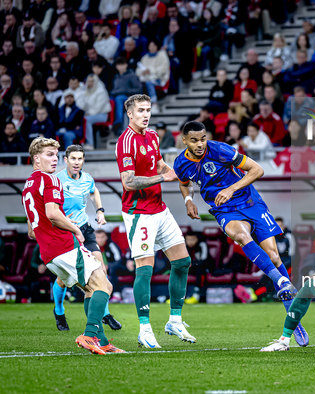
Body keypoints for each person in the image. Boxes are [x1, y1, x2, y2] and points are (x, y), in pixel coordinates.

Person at [173, 120, 309, 347]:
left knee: (274, 257)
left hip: (250, 201)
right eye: (194, 140)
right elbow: (184, 183)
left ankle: (293, 317)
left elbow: (258, 169)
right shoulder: (180, 163)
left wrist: (230, 188)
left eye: (203, 139)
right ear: (184, 140)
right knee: (241, 235)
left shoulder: (220, 150)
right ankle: (281, 282)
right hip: (223, 208)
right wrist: (188, 200)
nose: (200, 144)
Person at [23, 137, 124, 354]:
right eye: (49, 155)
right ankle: (89, 335)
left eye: (56, 155)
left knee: (90, 289)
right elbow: (52, 214)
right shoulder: (50, 180)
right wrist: (76, 230)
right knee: (104, 286)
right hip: (64, 245)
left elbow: (32, 231)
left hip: (49, 253)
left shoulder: (28, 185)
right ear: (36, 158)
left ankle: (103, 342)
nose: (54, 159)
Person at [116, 94, 194, 348]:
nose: (146, 114)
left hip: (159, 209)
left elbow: (157, 163)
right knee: (145, 269)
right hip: (139, 213)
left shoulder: (152, 136)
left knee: (182, 262)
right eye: (140, 110)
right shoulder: (125, 142)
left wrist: (174, 172)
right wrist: (162, 179)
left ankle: (174, 320)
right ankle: (145, 328)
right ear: (130, 113)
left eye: (148, 109)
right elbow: (128, 182)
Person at [54, 144, 121, 331]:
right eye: (73, 158)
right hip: (66, 231)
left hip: (85, 229)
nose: (77, 162)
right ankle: (59, 311)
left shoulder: (87, 179)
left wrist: (99, 211)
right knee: (64, 278)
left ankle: (105, 313)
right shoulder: (56, 180)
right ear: (66, 160)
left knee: (101, 269)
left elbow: (93, 191)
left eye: (80, 159)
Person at [136, 40, 170, 114]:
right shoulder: (144, 58)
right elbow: (138, 70)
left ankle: (154, 104)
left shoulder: (162, 55)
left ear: (157, 46)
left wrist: (150, 71)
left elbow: (164, 68)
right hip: (145, 78)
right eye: (150, 45)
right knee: (139, 83)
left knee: (149, 83)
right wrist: (143, 72)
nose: (152, 47)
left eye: (154, 45)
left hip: (159, 79)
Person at [110, 57, 142, 134]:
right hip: (117, 96)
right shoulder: (116, 77)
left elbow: (138, 89)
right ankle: (111, 123)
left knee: (120, 98)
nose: (121, 67)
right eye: (119, 65)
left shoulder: (132, 75)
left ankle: (118, 121)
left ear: (126, 65)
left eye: (122, 64)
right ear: (116, 66)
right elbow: (113, 90)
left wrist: (126, 91)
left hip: (129, 97)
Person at [80, 74, 111, 150]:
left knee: (87, 120)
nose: (90, 83)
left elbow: (98, 107)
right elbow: (82, 105)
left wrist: (88, 113)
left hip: (102, 115)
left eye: (92, 81)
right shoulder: (86, 91)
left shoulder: (101, 91)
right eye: (89, 81)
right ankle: (81, 142)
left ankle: (90, 144)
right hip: (90, 114)